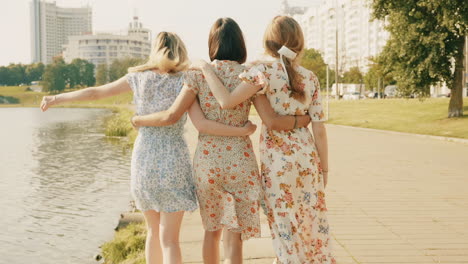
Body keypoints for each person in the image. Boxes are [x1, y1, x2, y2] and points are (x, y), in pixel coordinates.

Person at [40, 32, 255, 264]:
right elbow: (200, 122)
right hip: (174, 160)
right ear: (180, 50)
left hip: (144, 160)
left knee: (152, 233)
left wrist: (57, 99)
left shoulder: (137, 78)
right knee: (170, 240)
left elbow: (96, 92)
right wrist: (242, 129)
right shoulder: (187, 79)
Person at [131, 18, 311, 264]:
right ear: (240, 44)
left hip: (207, 162)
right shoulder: (250, 75)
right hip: (240, 161)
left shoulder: (196, 76)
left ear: (212, 43)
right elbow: (269, 117)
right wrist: (302, 119)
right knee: (234, 235)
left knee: (211, 232)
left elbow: (176, 116)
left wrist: (139, 120)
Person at [192, 16, 336, 263]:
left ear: (268, 42)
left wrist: (206, 68)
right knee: (311, 225)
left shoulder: (261, 72)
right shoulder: (311, 77)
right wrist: (324, 168)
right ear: (299, 43)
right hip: (307, 159)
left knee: (283, 227)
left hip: (278, 164)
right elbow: (320, 130)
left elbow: (227, 102)